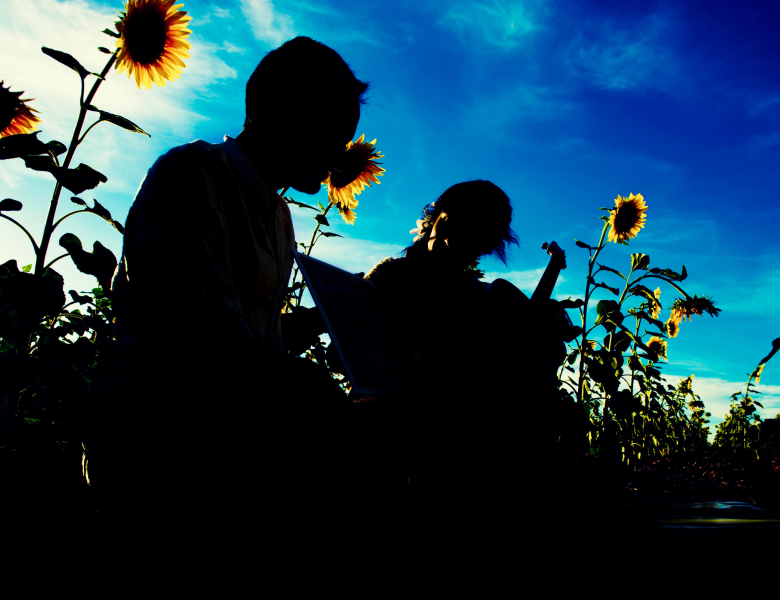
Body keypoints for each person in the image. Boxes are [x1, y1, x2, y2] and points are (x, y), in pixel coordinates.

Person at [84, 37, 371, 569]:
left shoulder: (279, 217)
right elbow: (204, 332)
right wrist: (320, 396)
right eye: (334, 132)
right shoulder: (193, 175)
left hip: (235, 433)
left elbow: (253, 336)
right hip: (158, 439)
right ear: (279, 112)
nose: (339, 154)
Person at [360, 180, 587, 556]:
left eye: (479, 247)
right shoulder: (392, 277)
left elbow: (513, 342)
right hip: (417, 419)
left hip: (484, 421)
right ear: (442, 223)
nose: (469, 256)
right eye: (467, 241)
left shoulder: (473, 290)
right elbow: (357, 353)